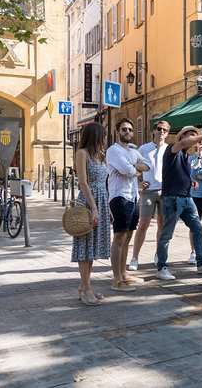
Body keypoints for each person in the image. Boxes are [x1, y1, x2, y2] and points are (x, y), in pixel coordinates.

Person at [155, 126, 202, 279]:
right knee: (167, 235)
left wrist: (190, 181)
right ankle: (161, 267)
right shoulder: (173, 148)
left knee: (197, 228)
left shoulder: (184, 155)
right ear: (183, 136)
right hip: (172, 198)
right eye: (191, 135)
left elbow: (176, 173)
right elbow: (185, 143)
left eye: (195, 136)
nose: (194, 138)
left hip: (186, 197)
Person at [106, 118, 150, 292]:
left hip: (133, 197)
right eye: (124, 129)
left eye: (130, 130)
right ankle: (116, 279)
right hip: (119, 198)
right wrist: (134, 169)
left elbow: (147, 166)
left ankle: (124, 274)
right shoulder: (113, 151)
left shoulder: (133, 151)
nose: (128, 132)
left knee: (128, 237)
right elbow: (128, 171)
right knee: (118, 238)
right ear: (117, 132)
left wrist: (133, 167)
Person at [71, 123, 111, 306]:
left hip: (101, 201)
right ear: (95, 136)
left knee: (92, 247)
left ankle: (84, 286)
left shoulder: (99, 155)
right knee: (85, 247)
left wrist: (107, 207)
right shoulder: (82, 153)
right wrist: (94, 208)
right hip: (88, 202)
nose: (105, 138)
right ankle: (86, 288)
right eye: (102, 135)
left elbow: (104, 184)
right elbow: (83, 183)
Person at [129, 121, 170, 271]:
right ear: (153, 131)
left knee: (162, 224)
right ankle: (134, 258)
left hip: (165, 191)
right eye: (159, 129)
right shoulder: (144, 149)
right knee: (143, 224)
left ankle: (159, 255)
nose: (161, 132)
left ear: (167, 133)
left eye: (165, 130)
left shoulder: (169, 149)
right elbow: (133, 165)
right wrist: (140, 180)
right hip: (148, 191)